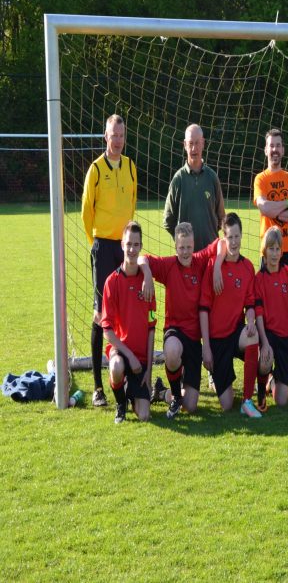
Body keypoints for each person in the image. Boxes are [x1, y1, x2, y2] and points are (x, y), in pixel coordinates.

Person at [138, 222, 224, 417]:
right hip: (175, 331)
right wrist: (148, 274)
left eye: (189, 247)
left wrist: (217, 264)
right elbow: (143, 258)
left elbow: (222, 242)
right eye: (181, 247)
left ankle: (162, 392)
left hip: (194, 340)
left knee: (191, 406)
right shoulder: (169, 265)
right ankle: (175, 396)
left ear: (193, 246)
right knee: (172, 351)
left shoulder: (200, 261)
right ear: (175, 247)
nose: (185, 252)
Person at [81, 114, 137, 408]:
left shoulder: (129, 167)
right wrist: (96, 246)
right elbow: (85, 211)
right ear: (105, 137)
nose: (117, 140)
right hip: (103, 247)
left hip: (124, 247)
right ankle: (98, 387)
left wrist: (126, 241)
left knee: (125, 310)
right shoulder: (96, 170)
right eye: (113, 135)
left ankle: (124, 371)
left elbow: (132, 204)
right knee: (99, 314)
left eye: (121, 135)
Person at [199, 212, 270, 418]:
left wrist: (249, 321)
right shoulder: (214, 267)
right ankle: (220, 377)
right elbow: (203, 309)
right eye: (230, 237)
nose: (234, 241)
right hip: (217, 339)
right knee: (226, 404)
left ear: (241, 235)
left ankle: (248, 400)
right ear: (224, 237)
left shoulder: (248, 267)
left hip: (236, 332)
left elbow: (250, 304)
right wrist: (206, 346)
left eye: (237, 236)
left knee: (253, 335)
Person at [253, 128, 288, 386]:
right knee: (269, 307)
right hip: (268, 251)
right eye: (270, 145)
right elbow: (263, 206)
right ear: (265, 150)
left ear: (283, 150)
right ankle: (268, 355)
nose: (274, 150)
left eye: (278, 146)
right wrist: (286, 205)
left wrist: (278, 208)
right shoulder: (260, 179)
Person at [100, 222, 156, 424]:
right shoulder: (111, 282)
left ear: (141, 247)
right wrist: (129, 356)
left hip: (140, 361)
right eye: (129, 244)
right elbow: (107, 330)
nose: (132, 249)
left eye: (136, 245)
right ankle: (120, 404)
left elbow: (151, 327)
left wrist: (148, 370)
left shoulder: (147, 284)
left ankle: (131, 391)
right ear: (122, 244)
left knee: (144, 416)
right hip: (121, 351)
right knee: (115, 366)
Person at [163, 124, 225, 252]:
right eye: (190, 143)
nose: (194, 148)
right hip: (186, 256)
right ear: (184, 145)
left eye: (197, 143)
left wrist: (208, 234)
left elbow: (221, 217)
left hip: (210, 253)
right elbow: (168, 221)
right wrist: (182, 241)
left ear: (203, 143)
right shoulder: (178, 179)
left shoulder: (212, 177)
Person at [253, 227, 288, 409]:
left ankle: (272, 380)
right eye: (271, 249)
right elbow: (259, 314)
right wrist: (265, 342)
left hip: (285, 337)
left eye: (278, 249)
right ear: (264, 250)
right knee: (265, 360)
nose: (275, 253)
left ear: (282, 251)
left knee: (282, 401)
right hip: (268, 335)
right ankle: (261, 388)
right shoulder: (259, 278)